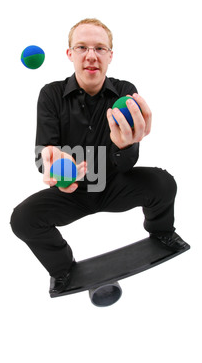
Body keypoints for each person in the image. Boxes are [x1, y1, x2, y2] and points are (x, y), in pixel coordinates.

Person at [10, 18, 188, 295]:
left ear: (110, 56)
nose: (91, 55)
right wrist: (55, 165)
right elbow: (43, 153)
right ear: (70, 54)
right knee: (23, 219)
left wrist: (125, 147)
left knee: (163, 183)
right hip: (71, 192)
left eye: (100, 48)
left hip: (115, 185)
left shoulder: (125, 91)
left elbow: (128, 165)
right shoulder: (51, 94)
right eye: (81, 47)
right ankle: (62, 270)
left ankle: (162, 232)